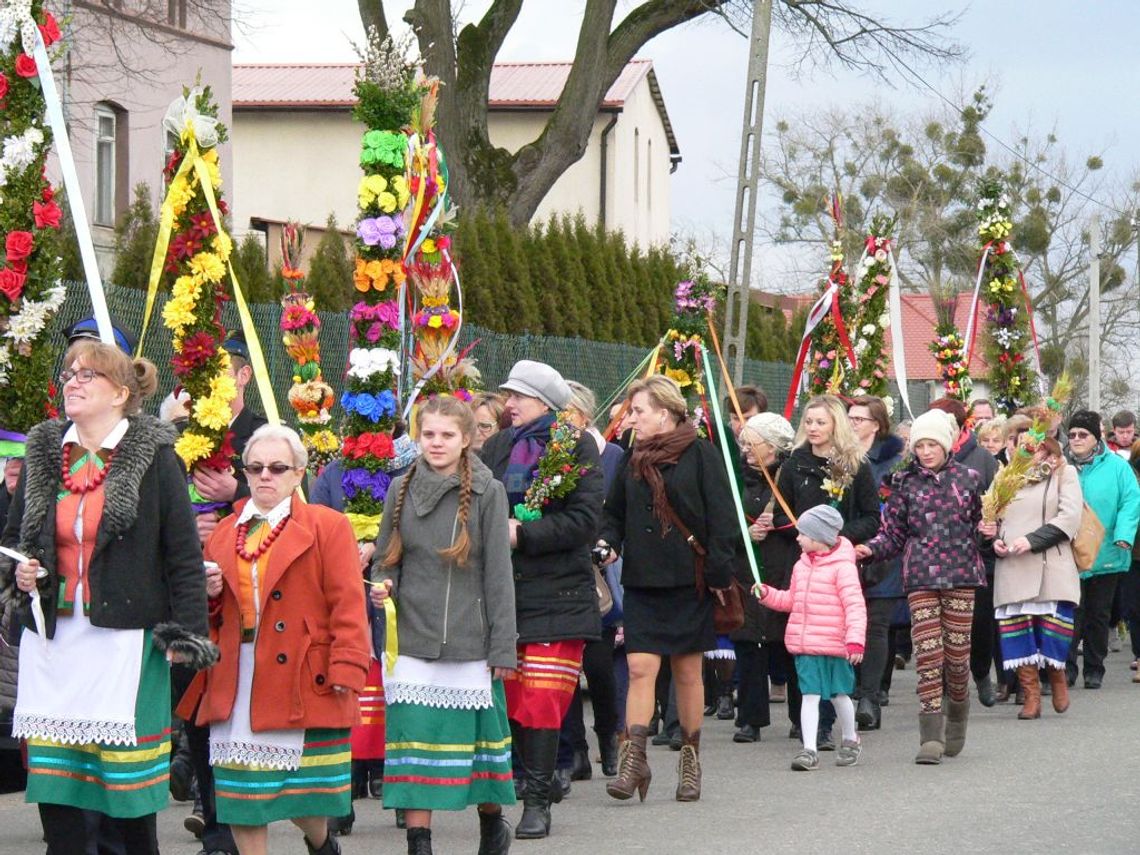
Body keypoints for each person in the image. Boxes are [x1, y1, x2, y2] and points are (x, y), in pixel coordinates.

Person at [2, 340, 213, 855]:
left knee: (126, 792)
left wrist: (186, 636)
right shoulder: (44, 451)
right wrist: (21, 573)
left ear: (120, 393)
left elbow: (183, 555)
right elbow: (13, 541)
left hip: (125, 642)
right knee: (60, 788)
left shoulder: (155, 458)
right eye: (69, 373)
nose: (72, 382)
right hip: (53, 642)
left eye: (87, 375)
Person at [178, 424, 371, 855]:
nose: (265, 475)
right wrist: (210, 596)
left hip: (301, 675)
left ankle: (321, 844)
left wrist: (347, 667)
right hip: (236, 676)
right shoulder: (225, 532)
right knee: (242, 798)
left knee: (304, 798)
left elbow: (347, 603)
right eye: (255, 467)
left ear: (299, 472)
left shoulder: (328, 525)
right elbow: (211, 615)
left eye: (277, 467)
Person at [370, 396, 517, 855]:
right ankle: (420, 844)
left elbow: (499, 575)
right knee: (414, 751)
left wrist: (503, 648)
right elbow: (384, 558)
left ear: (467, 439)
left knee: (480, 752)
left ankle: (491, 823)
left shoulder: (489, 491)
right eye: (428, 434)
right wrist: (382, 585)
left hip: (471, 644)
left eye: (447, 435)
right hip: (411, 641)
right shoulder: (400, 488)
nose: (436, 443)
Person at [478, 360, 603, 839]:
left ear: (545, 402)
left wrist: (523, 534)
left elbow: (585, 521)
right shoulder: (497, 446)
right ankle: (534, 779)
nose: (509, 404)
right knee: (511, 698)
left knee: (543, 698)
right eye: (508, 395)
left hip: (559, 593)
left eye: (518, 396)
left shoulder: (576, 445)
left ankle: (536, 803)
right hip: (503, 594)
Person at [598, 374, 735, 805]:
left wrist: (719, 574)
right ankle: (634, 760)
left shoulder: (701, 453)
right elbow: (613, 514)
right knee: (640, 668)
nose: (631, 419)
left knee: (687, 672)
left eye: (638, 411)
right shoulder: (631, 457)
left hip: (689, 580)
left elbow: (723, 518)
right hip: (642, 580)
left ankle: (690, 760)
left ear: (665, 412)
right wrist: (608, 543)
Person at [857, 409, 986, 765]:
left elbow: (983, 528)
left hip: (961, 576)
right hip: (920, 577)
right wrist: (870, 549)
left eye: (932, 445)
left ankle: (957, 709)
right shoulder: (904, 483)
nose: (926, 452)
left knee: (956, 657)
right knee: (928, 655)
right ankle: (930, 734)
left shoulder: (969, 480)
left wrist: (991, 532)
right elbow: (893, 533)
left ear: (946, 445)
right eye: (920, 445)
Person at [771, 395, 879, 748]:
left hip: (838, 563)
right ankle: (802, 718)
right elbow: (780, 514)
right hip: (802, 561)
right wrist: (804, 534)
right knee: (802, 639)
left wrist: (836, 537)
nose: (813, 428)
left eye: (821, 422)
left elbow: (871, 517)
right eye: (809, 421)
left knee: (831, 640)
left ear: (836, 425)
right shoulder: (794, 464)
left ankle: (828, 723)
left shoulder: (855, 465)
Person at [979, 436, 1082, 718]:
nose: (1027, 450)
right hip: (1013, 564)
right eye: (1019, 444)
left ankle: (1057, 675)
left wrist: (1032, 540)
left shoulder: (1064, 472)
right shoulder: (1005, 476)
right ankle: (1031, 695)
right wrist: (993, 540)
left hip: (1051, 563)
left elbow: (1070, 517)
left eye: (1035, 445)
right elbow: (990, 517)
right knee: (1017, 634)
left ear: (1047, 447)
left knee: (1053, 630)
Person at [758, 505, 867, 771]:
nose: (797, 538)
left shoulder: (844, 568)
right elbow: (791, 600)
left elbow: (855, 606)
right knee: (809, 695)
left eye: (803, 534)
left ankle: (850, 738)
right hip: (806, 645)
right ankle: (809, 749)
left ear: (819, 537)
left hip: (835, 645)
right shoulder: (801, 566)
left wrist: (855, 640)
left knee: (840, 695)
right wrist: (768, 595)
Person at [558, 381, 623, 785]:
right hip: (563, 569)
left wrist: (607, 544)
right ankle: (574, 750)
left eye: (565, 413)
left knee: (599, 666)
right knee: (564, 668)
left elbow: (617, 512)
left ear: (583, 416)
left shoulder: (612, 455)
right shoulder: (552, 455)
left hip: (601, 571)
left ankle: (608, 739)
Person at [928, 397, 1001, 707]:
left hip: (976, 556)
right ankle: (948, 686)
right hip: (935, 558)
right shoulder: (925, 458)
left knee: (979, 624)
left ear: (960, 428)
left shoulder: (982, 459)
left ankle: (981, 672)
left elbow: (998, 502)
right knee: (942, 627)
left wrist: (991, 528)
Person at [1062, 411, 1140, 689]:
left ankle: (1094, 668)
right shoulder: (1061, 465)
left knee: (1098, 614)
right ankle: (1067, 668)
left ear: (1096, 437)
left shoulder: (1118, 467)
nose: (1076, 439)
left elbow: (1131, 501)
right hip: (1069, 553)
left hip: (1107, 551)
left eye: (1083, 434)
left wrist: (1124, 535)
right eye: (1072, 434)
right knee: (1071, 613)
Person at [733, 412, 797, 744]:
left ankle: (800, 718)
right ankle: (750, 718)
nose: (745, 449)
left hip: (785, 568)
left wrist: (780, 525)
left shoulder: (792, 475)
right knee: (749, 645)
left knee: (790, 645)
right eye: (743, 443)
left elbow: (808, 520)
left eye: (752, 443)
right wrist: (745, 533)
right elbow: (723, 522)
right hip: (747, 571)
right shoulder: (737, 479)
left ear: (772, 447)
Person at [846, 395, 904, 730]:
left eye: (859, 419)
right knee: (849, 622)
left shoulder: (895, 462)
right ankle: (852, 689)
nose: (852, 424)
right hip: (847, 548)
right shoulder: (840, 457)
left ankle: (869, 697)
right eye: (850, 418)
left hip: (884, 553)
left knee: (877, 625)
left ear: (877, 425)